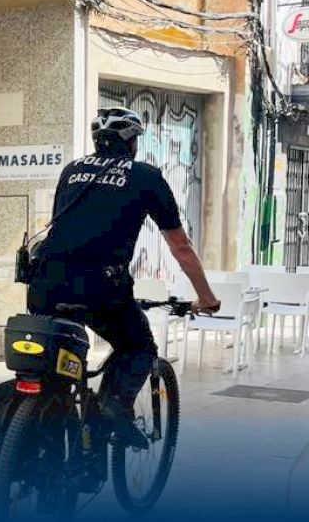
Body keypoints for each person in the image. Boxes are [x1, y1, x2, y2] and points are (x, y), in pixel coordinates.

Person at [27, 107, 220, 448]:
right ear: (131, 143)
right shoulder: (145, 176)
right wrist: (206, 297)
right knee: (138, 346)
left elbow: (62, 227)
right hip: (100, 287)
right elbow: (180, 247)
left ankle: (48, 434)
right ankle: (112, 405)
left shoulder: (72, 170)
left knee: (56, 364)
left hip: (44, 282)